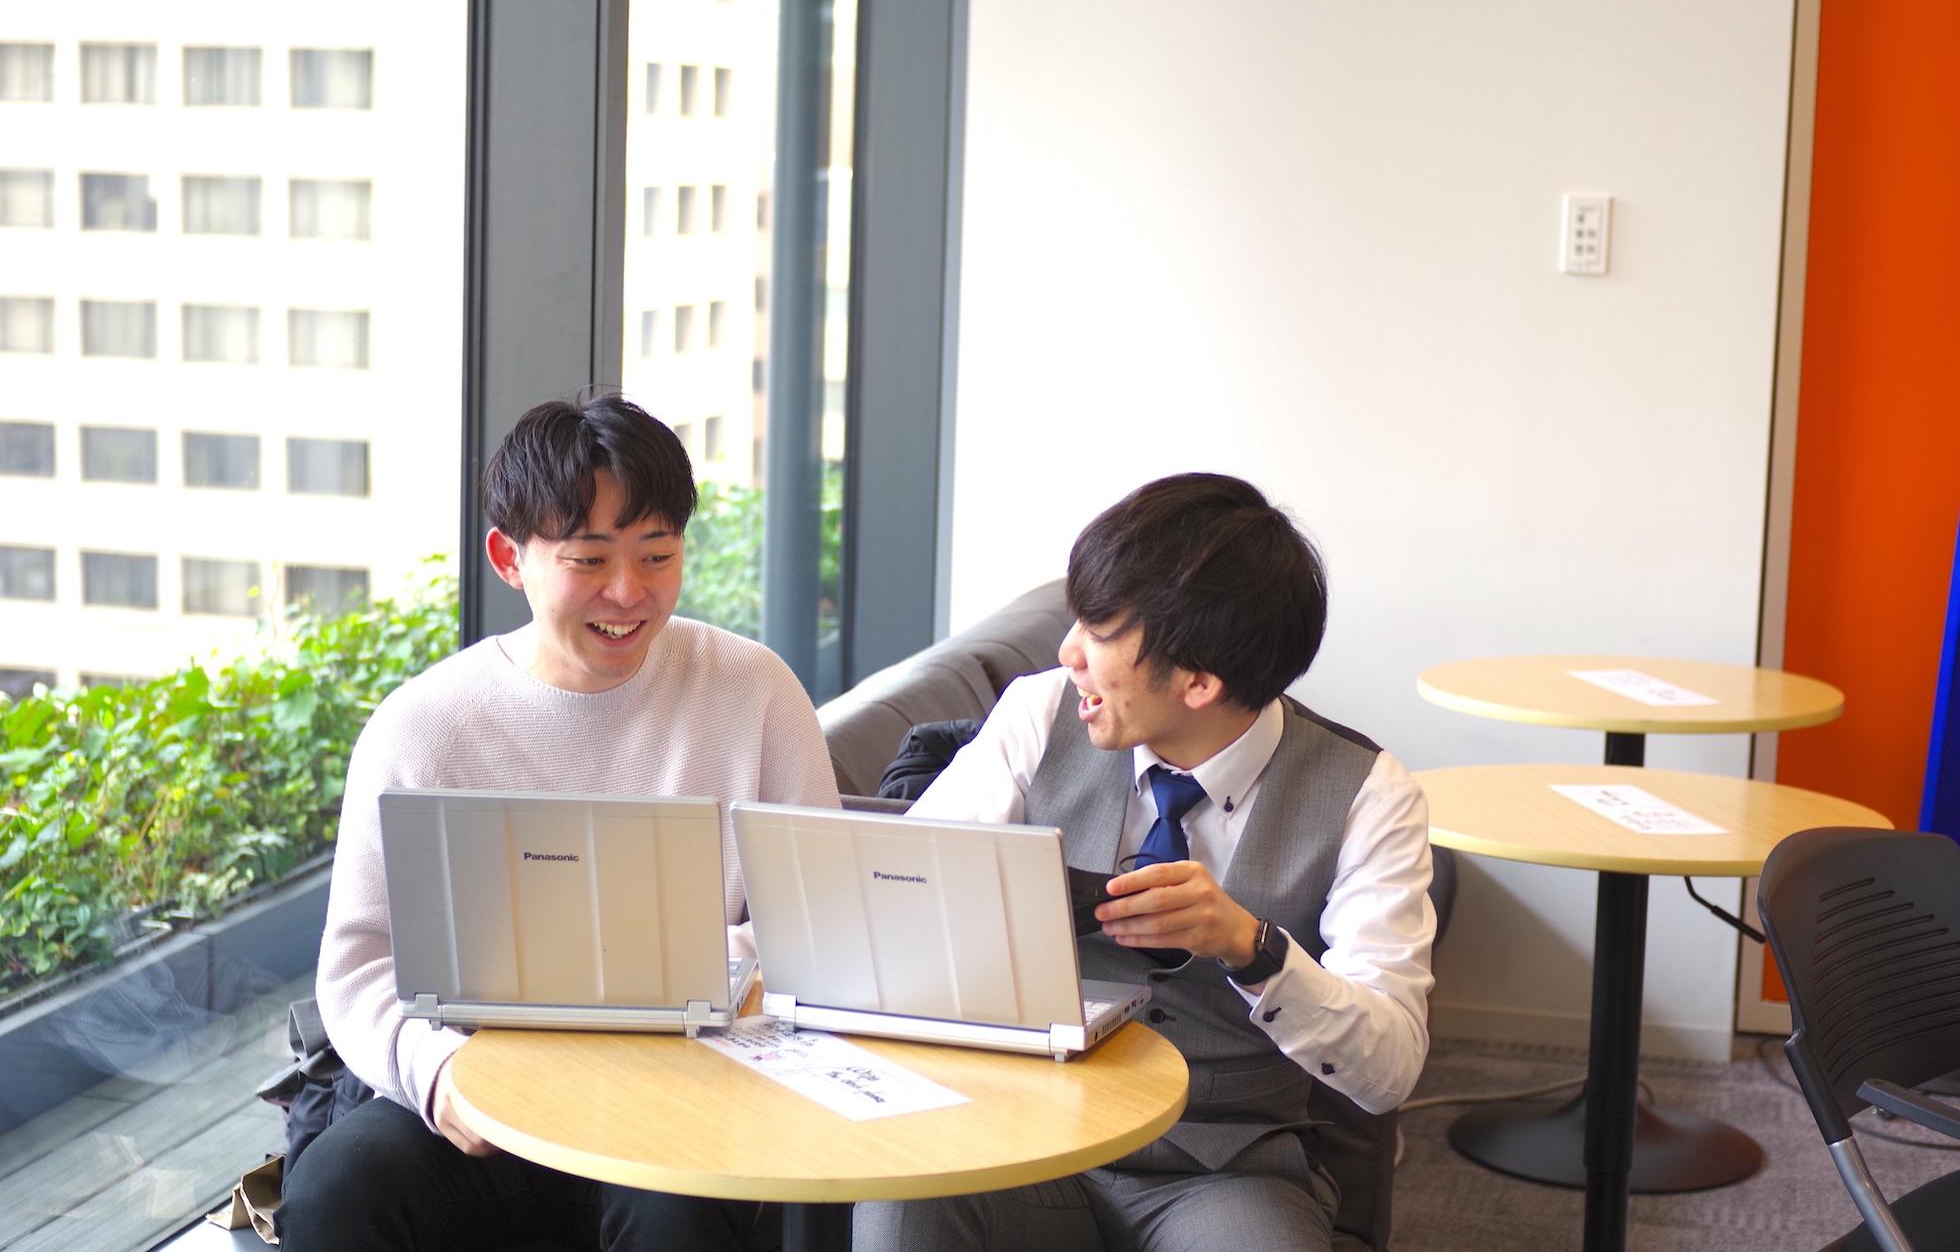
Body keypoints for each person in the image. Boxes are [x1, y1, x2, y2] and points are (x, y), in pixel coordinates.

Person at [281, 393, 841, 1252]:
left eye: (658, 555)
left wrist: (707, 966)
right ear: (510, 557)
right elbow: (357, 965)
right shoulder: (423, 728)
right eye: (590, 560)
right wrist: (439, 1075)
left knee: (678, 1217)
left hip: (682, 1089)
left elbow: (820, 919)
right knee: (337, 1188)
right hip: (484, 1084)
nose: (629, 592)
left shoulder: (753, 692)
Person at [854, 473, 1435, 1252]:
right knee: (899, 1204)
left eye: (1098, 634)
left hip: (1223, 1171)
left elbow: (1389, 1067)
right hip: (1023, 1138)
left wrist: (1252, 948)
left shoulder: (1369, 794)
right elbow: (897, 901)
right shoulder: (1039, 713)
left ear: (1199, 681)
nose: (1068, 654)